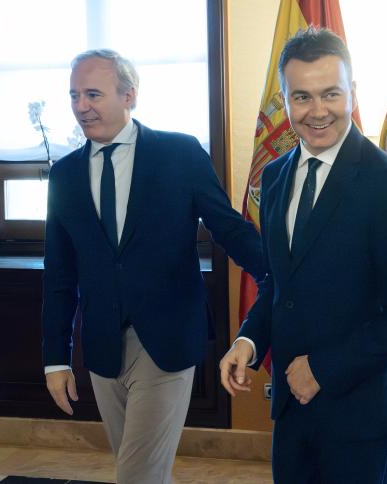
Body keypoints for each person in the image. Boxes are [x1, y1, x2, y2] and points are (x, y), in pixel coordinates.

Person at [219, 28, 387, 483]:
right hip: (292, 413)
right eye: (302, 97)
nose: (317, 112)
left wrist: (322, 368)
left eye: (330, 94)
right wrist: (249, 340)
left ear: (352, 93)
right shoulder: (275, 177)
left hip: (361, 415)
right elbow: (280, 282)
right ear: (284, 100)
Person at [42, 49, 264, 484]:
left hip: (168, 338)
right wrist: (56, 360)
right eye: (74, 95)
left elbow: (228, 229)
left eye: (92, 94)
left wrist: (279, 273)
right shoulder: (64, 175)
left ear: (129, 96)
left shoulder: (180, 154)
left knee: (137, 473)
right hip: (103, 344)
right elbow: (59, 275)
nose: (81, 106)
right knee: (142, 466)